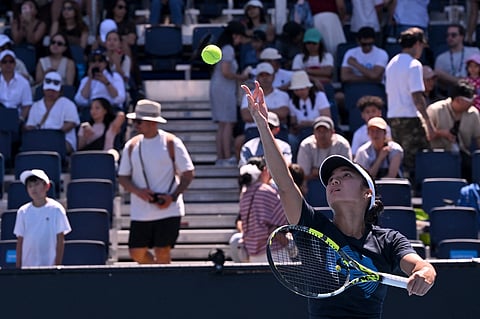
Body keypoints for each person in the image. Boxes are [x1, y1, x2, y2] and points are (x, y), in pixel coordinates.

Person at [241, 80, 436, 317]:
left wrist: (424, 273)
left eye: (345, 176)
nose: (334, 181)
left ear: (368, 192)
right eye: (331, 178)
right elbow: (284, 184)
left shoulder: (389, 241)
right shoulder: (314, 227)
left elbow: (418, 264)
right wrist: (263, 126)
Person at [117, 99, 195, 264]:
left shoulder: (172, 142)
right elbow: (123, 176)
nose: (135, 125)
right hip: (141, 211)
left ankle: (163, 286)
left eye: (139, 121)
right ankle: (156, 276)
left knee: (163, 251)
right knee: (136, 252)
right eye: (134, 121)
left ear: (152, 122)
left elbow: (188, 173)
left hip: (169, 209)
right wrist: (139, 192)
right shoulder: (131, 145)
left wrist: (172, 197)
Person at [385, 27, 435, 180]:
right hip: (409, 119)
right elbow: (418, 98)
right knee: (420, 160)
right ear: (417, 44)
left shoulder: (391, 63)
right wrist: (429, 123)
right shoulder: (414, 65)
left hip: (393, 118)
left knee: (401, 160)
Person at [210, 20, 250, 166]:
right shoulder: (228, 49)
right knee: (227, 124)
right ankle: (226, 157)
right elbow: (226, 72)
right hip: (224, 89)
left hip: (219, 87)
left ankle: (221, 157)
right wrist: (242, 77)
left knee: (222, 125)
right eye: (239, 37)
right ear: (234, 35)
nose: (240, 41)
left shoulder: (223, 47)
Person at [14, 169, 71, 268]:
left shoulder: (57, 209)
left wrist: (57, 266)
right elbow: (20, 241)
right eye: (30, 186)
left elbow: (60, 239)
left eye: (36, 184)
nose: (33, 189)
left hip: (49, 268)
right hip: (27, 268)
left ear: (47, 186)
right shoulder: (22, 211)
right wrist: (18, 268)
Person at [236, 156, 288, 262]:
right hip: (274, 252)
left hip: (252, 253)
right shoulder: (266, 191)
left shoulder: (244, 195)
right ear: (264, 170)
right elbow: (285, 219)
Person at [426, 80, 480, 182]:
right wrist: (442, 133)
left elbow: (478, 138)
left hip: (463, 158)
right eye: (470, 100)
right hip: (438, 157)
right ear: (458, 100)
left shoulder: (474, 113)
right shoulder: (435, 110)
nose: (473, 102)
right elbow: (425, 135)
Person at [25, 71, 80, 154]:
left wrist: (51, 135)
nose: (51, 93)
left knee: (53, 145)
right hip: (40, 140)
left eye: (54, 91)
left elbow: (71, 124)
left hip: (62, 139)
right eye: (48, 90)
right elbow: (30, 126)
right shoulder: (35, 106)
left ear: (60, 90)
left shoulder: (68, 104)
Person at [241, 62, 290, 143]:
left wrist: (257, 111)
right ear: (257, 77)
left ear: (273, 76)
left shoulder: (283, 95)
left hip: (276, 129)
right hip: (253, 130)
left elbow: (283, 113)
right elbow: (246, 116)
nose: (265, 78)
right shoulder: (248, 95)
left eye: (267, 75)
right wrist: (272, 112)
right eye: (261, 75)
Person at [288, 70, 332, 159]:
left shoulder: (320, 96)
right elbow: (293, 122)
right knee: (291, 139)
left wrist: (308, 123)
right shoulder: (292, 102)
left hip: (320, 129)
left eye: (302, 89)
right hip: (301, 132)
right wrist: (296, 126)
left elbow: (327, 118)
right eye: (297, 90)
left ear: (308, 88)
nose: (300, 92)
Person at [297, 116, 352, 182]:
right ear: (314, 132)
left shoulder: (342, 145)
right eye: (319, 131)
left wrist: (316, 171)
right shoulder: (306, 145)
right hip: (311, 184)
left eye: (325, 131)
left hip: (338, 182)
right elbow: (304, 175)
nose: (322, 135)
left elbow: (346, 172)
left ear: (332, 132)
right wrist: (332, 171)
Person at [434, 24, 480, 95]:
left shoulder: (474, 51)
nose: (450, 38)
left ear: (462, 37)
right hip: (451, 91)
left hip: (475, 87)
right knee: (437, 72)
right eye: (447, 35)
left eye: (453, 35)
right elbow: (439, 83)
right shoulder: (441, 58)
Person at [0, 50, 32, 123]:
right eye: (4, 61)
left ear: (15, 64)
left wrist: (21, 119)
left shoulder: (24, 83)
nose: (8, 64)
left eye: (11, 61)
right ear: (0, 64)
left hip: (16, 119)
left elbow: (27, 105)